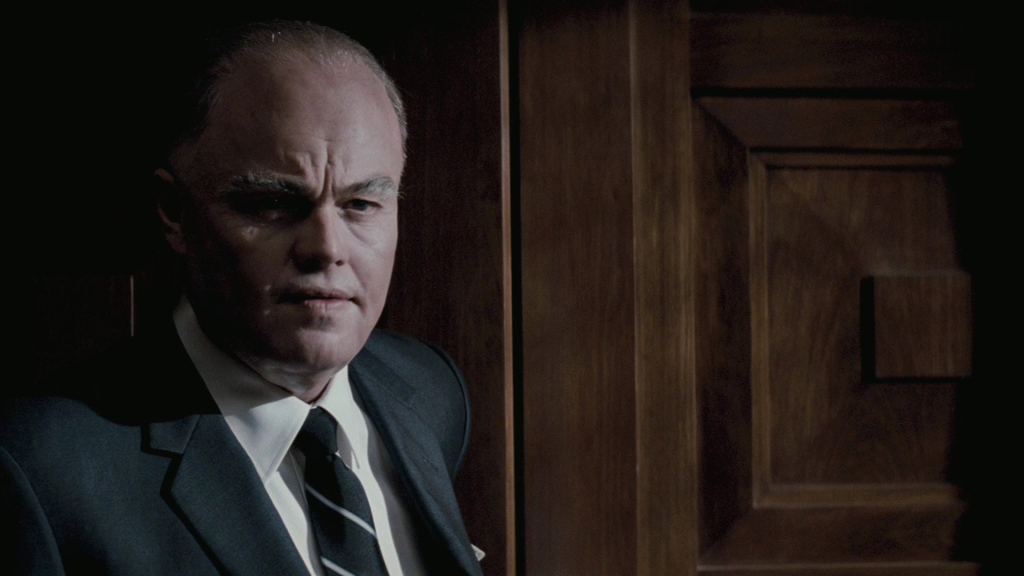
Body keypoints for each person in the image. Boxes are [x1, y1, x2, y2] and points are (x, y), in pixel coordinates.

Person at [1, 20, 483, 576]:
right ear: (175, 211)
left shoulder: (431, 391)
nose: (327, 248)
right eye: (274, 203)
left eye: (361, 205)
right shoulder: (41, 472)